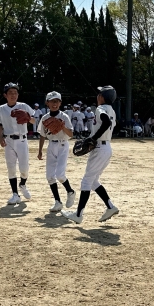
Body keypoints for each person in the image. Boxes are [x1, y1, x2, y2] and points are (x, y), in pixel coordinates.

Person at [62, 85, 119, 224]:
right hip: (106, 148)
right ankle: (110, 207)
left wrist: (93, 138)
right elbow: (109, 123)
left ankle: (78, 215)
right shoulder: (112, 110)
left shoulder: (100, 108)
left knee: (86, 181)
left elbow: (106, 122)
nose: (97, 96)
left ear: (102, 97)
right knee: (93, 181)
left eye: (99, 94)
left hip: (99, 147)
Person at [0, 83, 35, 205]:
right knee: (11, 168)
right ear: (5, 95)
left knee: (24, 169)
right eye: (10, 93)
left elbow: (34, 121)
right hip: (9, 140)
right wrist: (0, 137)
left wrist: (28, 117)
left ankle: (22, 184)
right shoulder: (1, 109)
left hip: (22, 140)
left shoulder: (23, 106)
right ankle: (15, 194)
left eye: (15, 93)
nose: (13, 95)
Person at [37, 91, 76, 212]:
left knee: (60, 175)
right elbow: (42, 135)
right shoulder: (45, 118)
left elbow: (71, 134)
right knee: (49, 176)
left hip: (63, 145)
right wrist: (40, 150)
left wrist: (62, 126)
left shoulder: (64, 117)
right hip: (51, 145)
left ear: (60, 103)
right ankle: (57, 202)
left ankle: (70, 191)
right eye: (52, 101)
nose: (54, 104)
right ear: (47, 103)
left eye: (57, 101)